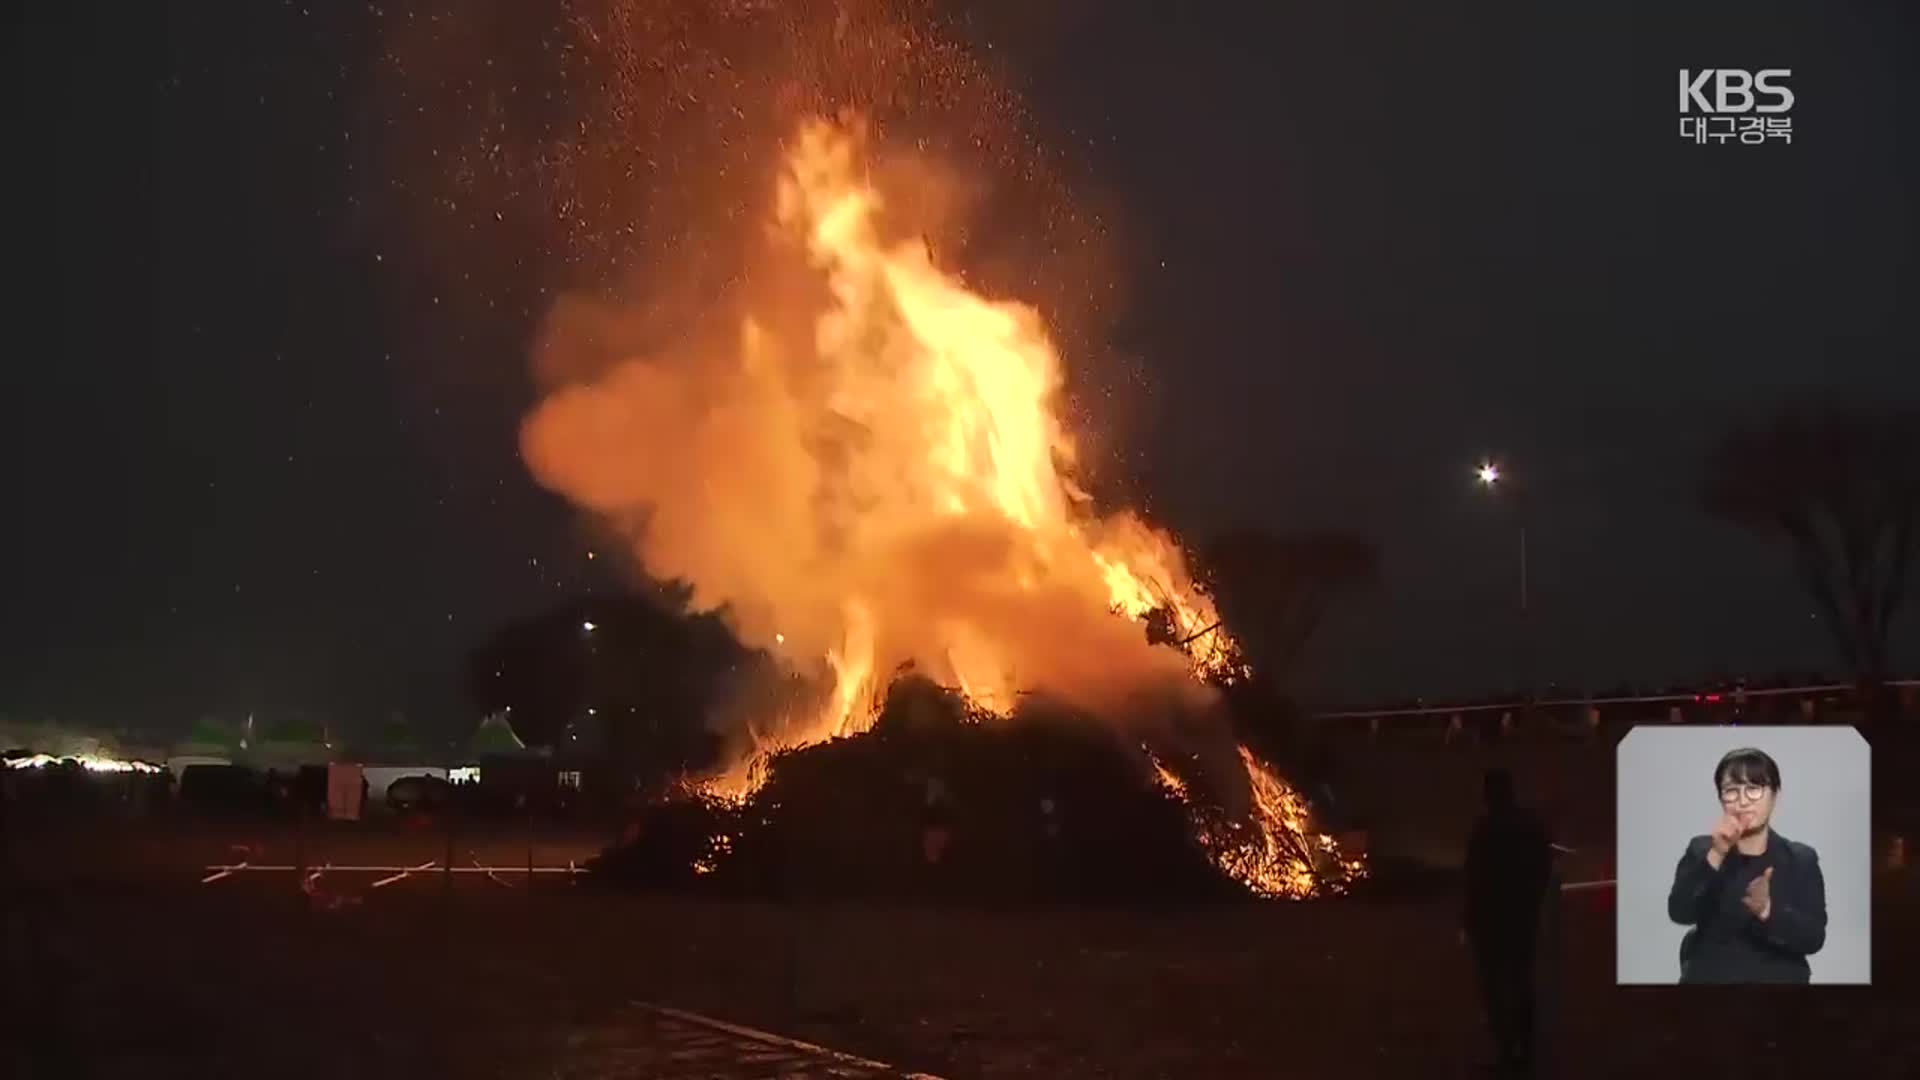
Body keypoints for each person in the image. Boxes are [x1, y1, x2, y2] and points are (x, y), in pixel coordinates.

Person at [1667, 747, 1826, 984]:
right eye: (1731, 791)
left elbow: (1813, 938)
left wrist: (1767, 910)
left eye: (1753, 789)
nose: (1742, 801)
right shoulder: (1702, 850)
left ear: (1774, 795)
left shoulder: (1800, 859)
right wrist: (1717, 853)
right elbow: (1680, 912)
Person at [1461, 767, 1553, 1075]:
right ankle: (1523, 1052)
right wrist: (1533, 902)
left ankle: (1507, 1050)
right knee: (1521, 982)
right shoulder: (1530, 826)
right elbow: (1544, 866)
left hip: (1492, 922)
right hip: (1521, 917)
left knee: (1495, 987)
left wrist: (1469, 919)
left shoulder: (1484, 830)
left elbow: (1473, 878)